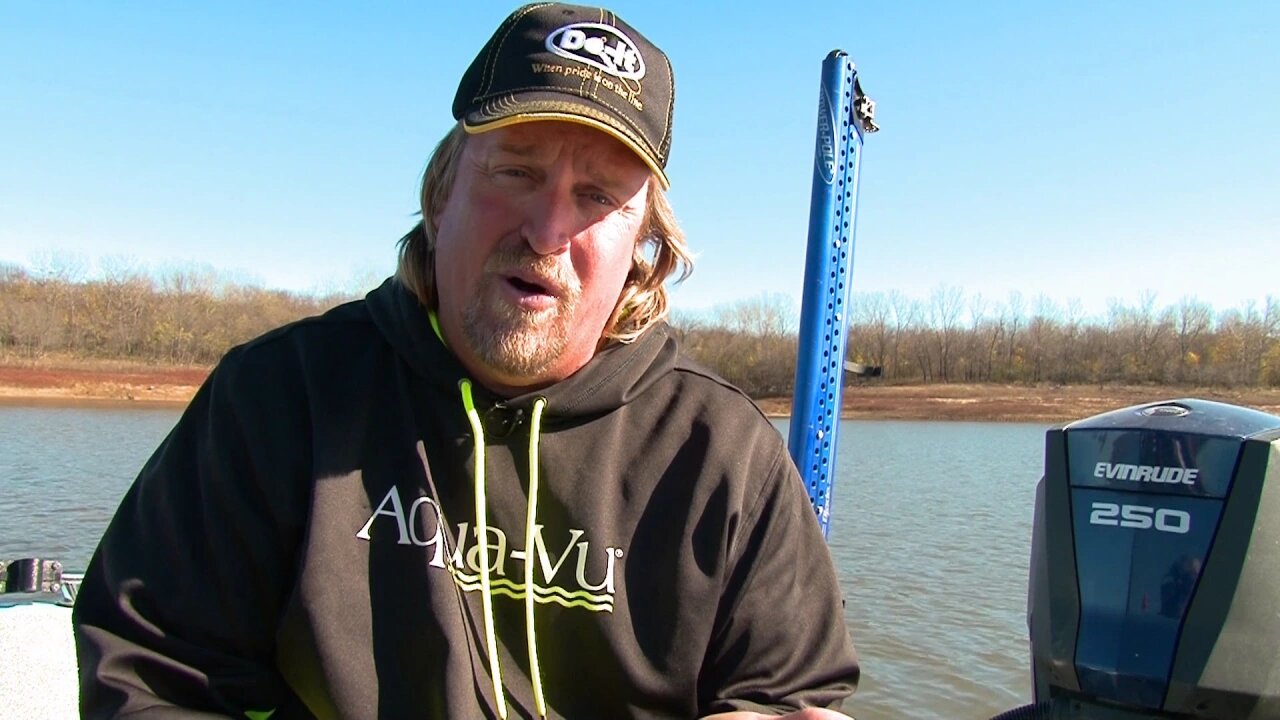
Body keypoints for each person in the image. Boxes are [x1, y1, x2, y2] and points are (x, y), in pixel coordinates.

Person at [72, 3, 860, 718]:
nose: (549, 229)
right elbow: (151, 667)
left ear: (642, 247)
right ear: (441, 192)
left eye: (598, 197)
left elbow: (786, 690)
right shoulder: (279, 399)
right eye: (516, 170)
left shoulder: (726, 456)